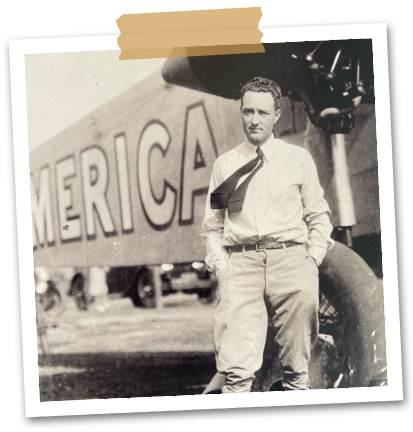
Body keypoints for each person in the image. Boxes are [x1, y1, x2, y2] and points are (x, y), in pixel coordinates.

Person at [200, 77, 335, 393]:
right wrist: (224, 269)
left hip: (291, 261)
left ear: (277, 114)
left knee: (298, 371)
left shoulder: (297, 159)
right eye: (248, 112)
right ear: (241, 113)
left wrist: (310, 260)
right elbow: (213, 225)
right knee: (236, 373)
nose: (254, 120)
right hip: (241, 265)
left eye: (262, 112)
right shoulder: (226, 164)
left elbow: (318, 215)